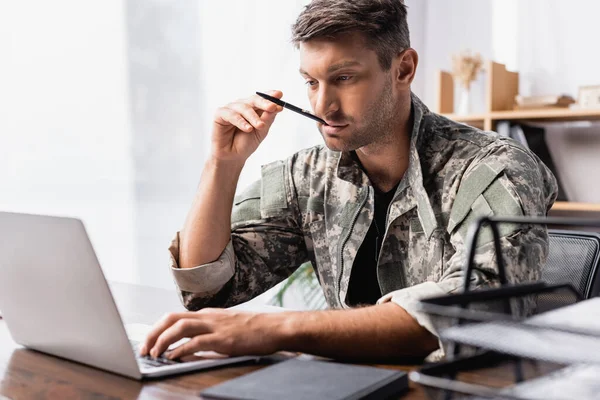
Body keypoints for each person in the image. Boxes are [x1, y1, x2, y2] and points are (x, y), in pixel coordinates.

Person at [140, 0, 557, 362]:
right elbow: (207, 288)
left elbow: (478, 314)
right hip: (347, 384)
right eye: (311, 82)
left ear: (403, 69)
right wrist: (222, 164)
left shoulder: (494, 166)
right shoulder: (307, 176)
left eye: (343, 78)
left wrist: (280, 328)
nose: (323, 105)